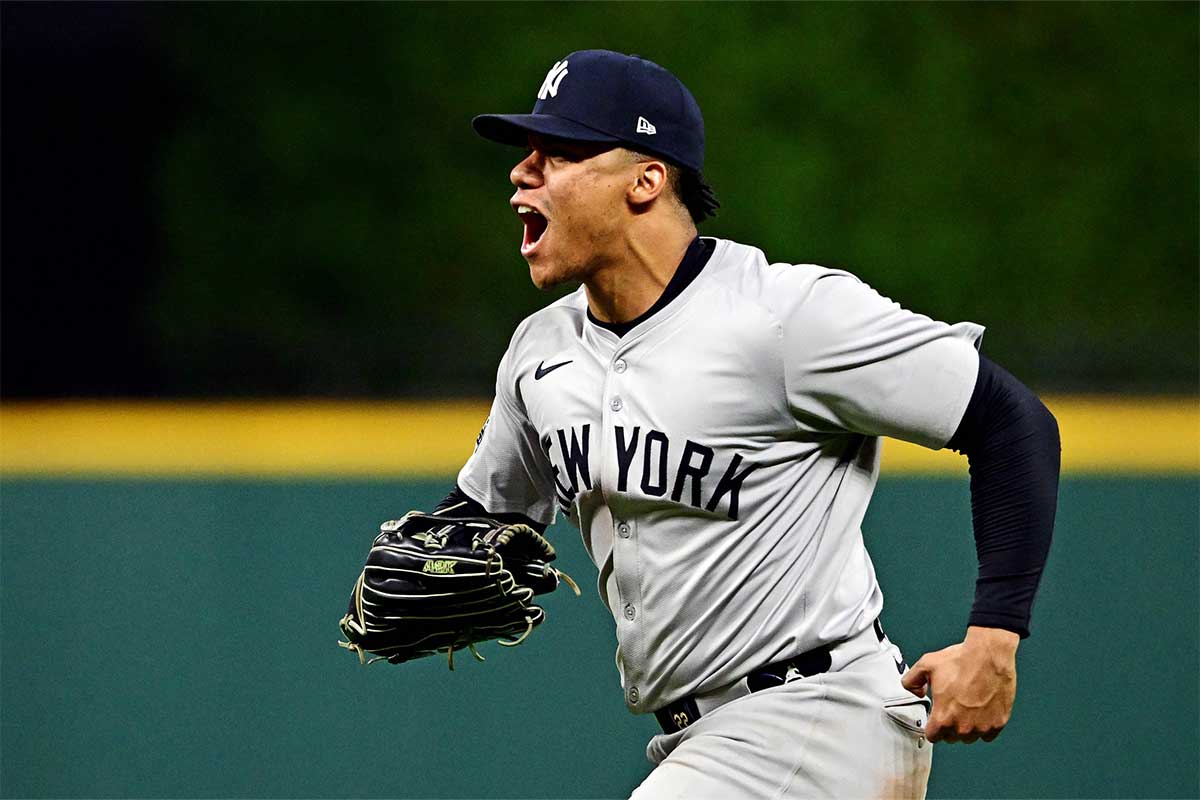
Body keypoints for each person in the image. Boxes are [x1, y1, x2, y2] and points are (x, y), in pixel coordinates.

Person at [436, 49, 1060, 799]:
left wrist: (995, 639)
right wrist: (439, 551)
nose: (522, 172)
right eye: (526, 153)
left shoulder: (784, 317)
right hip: (697, 739)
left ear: (647, 179)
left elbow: (1010, 419)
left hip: (815, 718)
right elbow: (484, 515)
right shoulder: (539, 353)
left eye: (558, 152)